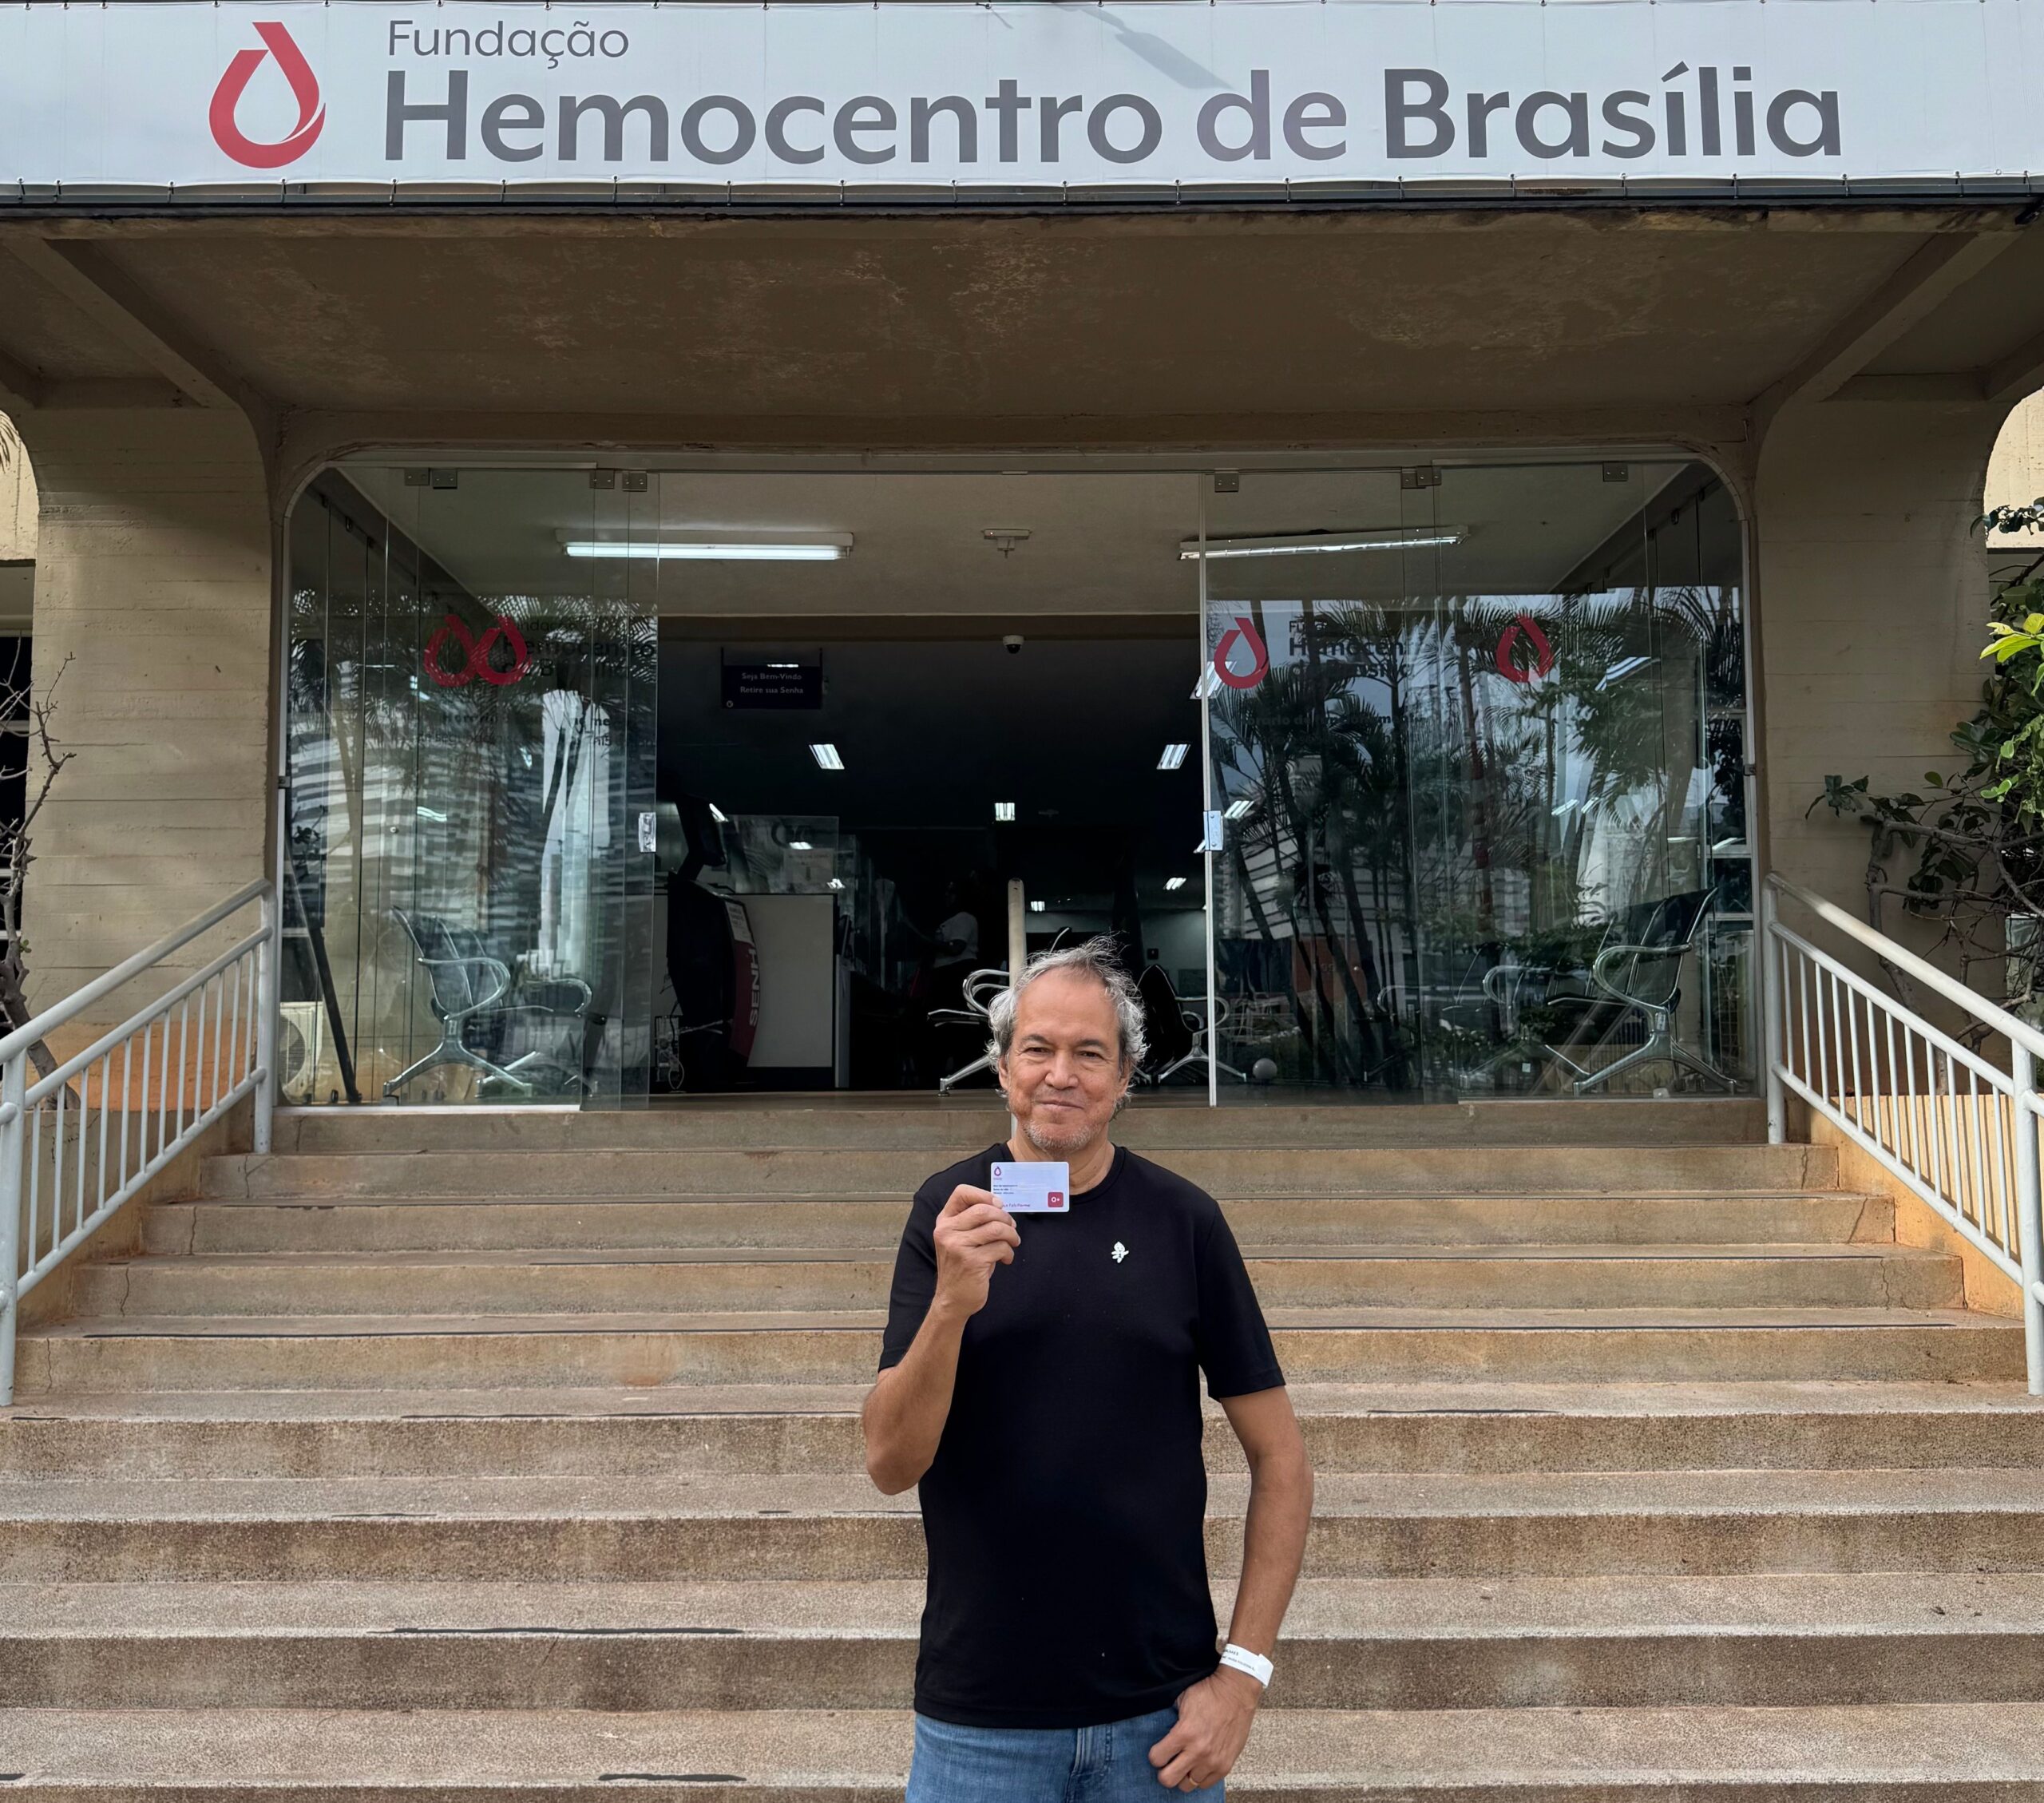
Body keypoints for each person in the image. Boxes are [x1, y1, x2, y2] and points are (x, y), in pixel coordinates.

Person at [862, 938, 1313, 1799]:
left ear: (1126, 1075)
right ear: (1002, 1067)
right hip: (979, 1722)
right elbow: (889, 1462)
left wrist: (1244, 1676)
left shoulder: (1183, 1221)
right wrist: (952, 1303)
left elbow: (1282, 1458)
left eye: (1090, 1053)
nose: (1060, 1074)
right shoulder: (948, 1213)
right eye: (1037, 1048)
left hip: (1162, 1722)